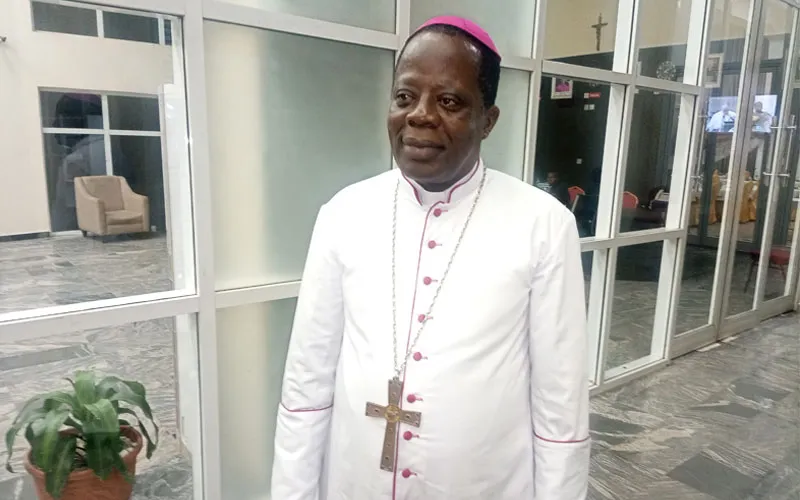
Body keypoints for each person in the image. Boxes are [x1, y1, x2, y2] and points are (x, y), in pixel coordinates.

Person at [272, 15, 589, 499]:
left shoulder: (543, 225)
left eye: (449, 101)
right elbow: (306, 385)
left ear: (488, 120)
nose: (419, 116)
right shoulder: (343, 214)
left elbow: (559, 407)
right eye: (405, 97)